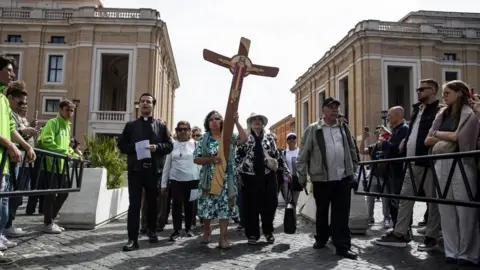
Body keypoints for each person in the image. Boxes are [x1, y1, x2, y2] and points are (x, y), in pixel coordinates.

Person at [375, 79, 442, 251]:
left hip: (427, 162)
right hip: (410, 162)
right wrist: (407, 140)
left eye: (422, 89)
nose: (418, 92)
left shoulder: (439, 110)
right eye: (418, 89)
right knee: (404, 199)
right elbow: (415, 130)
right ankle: (400, 233)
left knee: (432, 200)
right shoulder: (417, 110)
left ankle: (431, 237)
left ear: (433, 90)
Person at [296, 97, 358, 260]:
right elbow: (304, 153)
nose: (335, 110)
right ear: (323, 110)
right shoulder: (313, 129)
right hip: (321, 179)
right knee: (322, 212)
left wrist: (354, 169)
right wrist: (301, 175)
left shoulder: (344, 127)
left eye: (337, 107)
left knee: (341, 214)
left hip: (343, 177)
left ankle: (342, 246)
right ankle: (322, 238)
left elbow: (352, 149)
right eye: (331, 107)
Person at [425, 80, 479, 266]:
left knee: (465, 209)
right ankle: (451, 250)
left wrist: (438, 134)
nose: (444, 95)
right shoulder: (442, 113)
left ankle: (467, 253)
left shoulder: (469, 113)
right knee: (445, 209)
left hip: (463, 163)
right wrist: (445, 134)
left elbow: (460, 137)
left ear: (460, 93)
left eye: (448, 92)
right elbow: (427, 140)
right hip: (441, 162)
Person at [117, 93, 173, 252]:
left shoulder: (161, 126)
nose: (145, 104)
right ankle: (132, 239)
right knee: (134, 205)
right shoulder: (131, 126)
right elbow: (121, 146)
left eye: (148, 102)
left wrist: (157, 148)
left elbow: (169, 146)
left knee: (153, 204)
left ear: (153, 105)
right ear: (139, 105)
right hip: (136, 170)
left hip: (154, 170)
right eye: (142, 101)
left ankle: (152, 231)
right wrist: (135, 148)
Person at [194, 110, 248, 249]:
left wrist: (236, 122)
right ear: (208, 122)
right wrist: (211, 159)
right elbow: (197, 159)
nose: (214, 121)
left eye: (217, 118)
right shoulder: (203, 139)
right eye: (211, 119)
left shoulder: (229, 137)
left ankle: (223, 238)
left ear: (222, 122)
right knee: (207, 208)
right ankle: (207, 230)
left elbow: (244, 139)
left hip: (226, 179)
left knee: (225, 208)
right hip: (209, 179)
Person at [235, 113, 290, 245]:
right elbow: (237, 157)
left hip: (268, 176)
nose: (257, 122)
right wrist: (238, 175)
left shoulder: (269, 138)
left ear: (263, 123)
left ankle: (268, 231)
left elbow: (277, 156)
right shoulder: (244, 137)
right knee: (250, 207)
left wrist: (287, 172)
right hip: (249, 177)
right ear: (250, 123)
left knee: (270, 205)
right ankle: (252, 234)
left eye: (260, 120)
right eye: (254, 120)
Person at [36, 100, 81, 234]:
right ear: (60, 110)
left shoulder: (67, 127)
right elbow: (46, 141)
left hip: (62, 166)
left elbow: (66, 147)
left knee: (64, 193)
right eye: (67, 110)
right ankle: (48, 222)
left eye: (72, 110)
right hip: (50, 165)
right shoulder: (52, 123)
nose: (70, 113)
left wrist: (75, 155)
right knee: (50, 195)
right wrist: (64, 152)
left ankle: (51, 219)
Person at [4, 81, 37, 238]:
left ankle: (7, 226)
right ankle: (6, 226)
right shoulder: (6, 110)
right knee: (8, 196)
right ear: (10, 98)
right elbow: (10, 132)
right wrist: (23, 135)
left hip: (18, 159)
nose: (23, 106)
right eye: (21, 102)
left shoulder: (11, 113)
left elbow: (12, 131)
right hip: (9, 159)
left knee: (14, 195)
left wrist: (27, 144)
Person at [161, 121, 199, 241]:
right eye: (180, 129)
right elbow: (167, 165)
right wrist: (163, 184)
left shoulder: (196, 145)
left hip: (192, 179)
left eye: (185, 129)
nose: (182, 131)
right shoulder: (172, 145)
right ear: (177, 131)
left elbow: (200, 165)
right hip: (176, 179)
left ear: (189, 131)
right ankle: (176, 230)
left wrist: (202, 181)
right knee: (176, 205)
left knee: (190, 205)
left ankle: (188, 228)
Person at [359, 127, 392, 227]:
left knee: (386, 198)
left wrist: (386, 133)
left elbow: (391, 137)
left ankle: (386, 217)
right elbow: (361, 151)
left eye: (381, 133)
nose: (379, 135)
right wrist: (363, 139)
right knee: (370, 197)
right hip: (374, 175)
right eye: (377, 134)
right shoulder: (373, 146)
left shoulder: (387, 145)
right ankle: (370, 218)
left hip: (385, 175)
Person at [280, 132, 302, 204]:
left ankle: (294, 215)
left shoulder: (300, 151)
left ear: (296, 140)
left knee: (294, 201)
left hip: (297, 179)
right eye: (289, 138)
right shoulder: (284, 153)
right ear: (287, 141)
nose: (292, 140)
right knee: (287, 201)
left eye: (293, 138)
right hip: (286, 180)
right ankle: (288, 215)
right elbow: (282, 165)